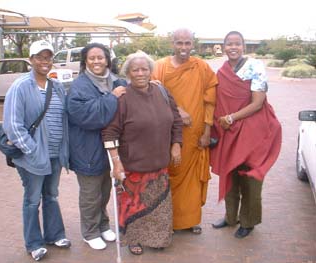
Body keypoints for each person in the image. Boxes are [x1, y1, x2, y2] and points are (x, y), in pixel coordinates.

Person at [102, 51, 183, 255]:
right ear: (128, 73)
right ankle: (134, 239)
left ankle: (158, 238)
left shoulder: (162, 92)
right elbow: (109, 131)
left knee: (159, 207)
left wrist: (176, 144)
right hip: (134, 167)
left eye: (144, 69)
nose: (140, 73)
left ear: (150, 71)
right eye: (135, 69)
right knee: (134, 207)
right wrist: (116, 162)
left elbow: (176, 120)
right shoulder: (122, 98)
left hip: (160, 164)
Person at [2, 40, 71, 261]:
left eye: (48, 57)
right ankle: (34, 243)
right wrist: (32, 150)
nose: (45, 61)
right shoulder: (20, 86)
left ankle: (55, 235)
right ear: (31, 60)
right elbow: (12, 125)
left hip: (54, 156)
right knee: (32, 199)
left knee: (51, 195)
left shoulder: (56, 87)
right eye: (40, 57)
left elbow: (65, 118)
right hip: (31, 157)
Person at [210, 31, 282, 238]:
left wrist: (231, 118)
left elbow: (257, 103)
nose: (233, 47)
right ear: (223, 47)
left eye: (237, 44)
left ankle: (248, 222)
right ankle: (231, 217)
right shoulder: (222, 70)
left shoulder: (255, 66)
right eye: (229, 44)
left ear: (244, 46)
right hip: (229, 132)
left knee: (250, 176)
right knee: (231, 173)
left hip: (253, 130)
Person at [152, 28, 217, 234]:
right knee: (169, 175)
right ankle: (167, 220)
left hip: (195, 134)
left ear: (192, 44)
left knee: (191, 179)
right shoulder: (160, 67)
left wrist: (207, 130)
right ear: (172, 43)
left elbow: (210, 102)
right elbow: (152, 95)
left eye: (187, 43)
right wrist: (177, 110)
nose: (183, 47)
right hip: (167, 134)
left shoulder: (202, 67)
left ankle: (189, 220)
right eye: (179, 43)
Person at [67, 43, 127, 250]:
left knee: (105, 189)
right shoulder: (79, 86)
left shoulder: (117, 81)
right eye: (91, 58)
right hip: (87, 148)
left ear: (107, 59)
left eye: (100, 57)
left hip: (111, 148)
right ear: (85, 62)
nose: (96, 61)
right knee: (91, 194)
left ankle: (103, 225)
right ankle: (90, 231)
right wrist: (111, 98)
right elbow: (85, 115)